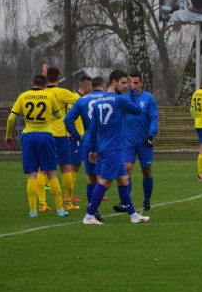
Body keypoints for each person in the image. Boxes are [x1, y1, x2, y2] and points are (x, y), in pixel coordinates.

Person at [82, 71, 149, 225]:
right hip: (113, 148)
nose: (126, 86)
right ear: (113, 82)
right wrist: (133, 91)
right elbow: (138, 110)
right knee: (104, 182)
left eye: (128, 83)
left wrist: (93, 149)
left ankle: (133, 215)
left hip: (106, 146)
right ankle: (89, 215)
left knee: (124, 180)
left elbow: (93, 128)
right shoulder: (119, 100)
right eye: (124, 83)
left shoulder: (99, 102)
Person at [5, 74, 67, 218]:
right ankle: (60, 209)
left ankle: (33, 211)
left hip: (29, 136)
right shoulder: (49, 96)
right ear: (45, 85)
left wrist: (8, 135)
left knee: (32, 174)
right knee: (51, 172)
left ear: (32, 82)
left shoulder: (23, 96)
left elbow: (11, 118)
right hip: (46, 136)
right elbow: (58, 116)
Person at [114, 71, 159, 214]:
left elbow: (154, 117)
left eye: (136, 82)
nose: (132, 85)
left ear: (142, 83)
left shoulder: (149, 98)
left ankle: (146, 200)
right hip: (128, 141)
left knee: (146, 171)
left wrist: (151, 135)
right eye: (130, 82)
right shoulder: (124, 99)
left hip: (144, 141)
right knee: (126, 170)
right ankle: (125, 202)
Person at [65, 75, 107, 221]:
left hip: (88, 140)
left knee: (91, 177)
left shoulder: (81, 100)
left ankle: (92, 209)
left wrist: (77, 136)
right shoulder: (108, 98)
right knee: (105, 177)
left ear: (91, 86)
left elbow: (67, 120)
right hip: (106, 139)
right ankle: (128, 208)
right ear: (103, 86)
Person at [39, 66, 82, 211]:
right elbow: (79, 102)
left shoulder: (41, 93)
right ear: (58, 77)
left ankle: (42, 203)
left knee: (42, 169)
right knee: (65, 167)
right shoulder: (64, 93)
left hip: (44, 135)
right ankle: (68, 202)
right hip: (60, 135)